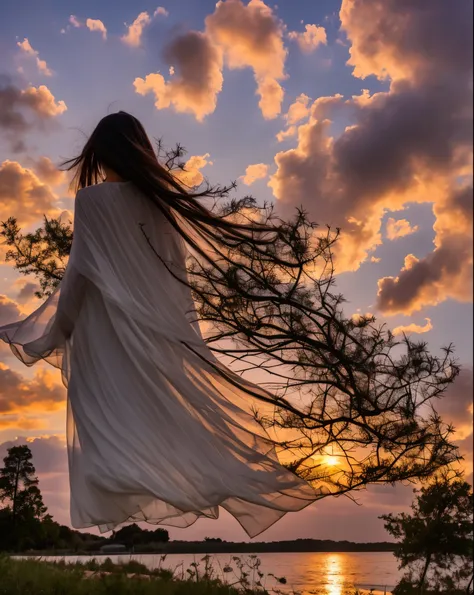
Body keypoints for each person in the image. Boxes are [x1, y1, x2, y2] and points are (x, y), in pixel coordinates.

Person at [0, 111, 320, 537]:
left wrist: (53, 333)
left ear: (101, 153)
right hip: (152, 332)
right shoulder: (162, 205)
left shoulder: (93, 202)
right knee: (143, 418)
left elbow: (78, 275)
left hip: (107, 333)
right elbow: (176, 278)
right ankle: (164, 477)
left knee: (108, 420)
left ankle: (126, 482)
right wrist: (181, 343)